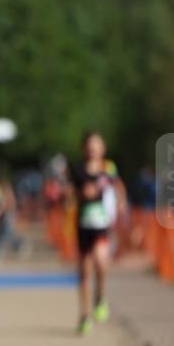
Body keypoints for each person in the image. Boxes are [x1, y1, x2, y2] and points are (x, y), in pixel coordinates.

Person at [67, 131, 126, 335]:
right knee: (84, 271)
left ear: (102, 148)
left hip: (102, 223)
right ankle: (84, 315)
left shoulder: (109, 168)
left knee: (101, 261)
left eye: (96, 145)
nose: (92, 149)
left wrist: (121, 204)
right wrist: (80, 194)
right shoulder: (76, 169)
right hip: (83, 224)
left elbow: (119, 188)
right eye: (89, 145)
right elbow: (69, 193)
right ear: (84, 148)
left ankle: (100, 297)